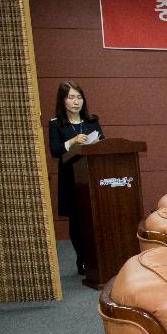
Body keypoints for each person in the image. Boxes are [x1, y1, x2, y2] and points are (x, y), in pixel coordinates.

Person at [47, 81, 104, 275]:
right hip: (70, 180)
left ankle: (98, 258)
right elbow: (55, 151)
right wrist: (71, 142)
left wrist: (96, 143)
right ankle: (82, 260)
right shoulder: (56, 124)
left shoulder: (91, 121)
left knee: (95, 218)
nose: (76, 101)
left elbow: (103, 144)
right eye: (71, 97)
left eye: (79, 97)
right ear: (63, 100)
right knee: (77, 222)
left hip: (92, 177)